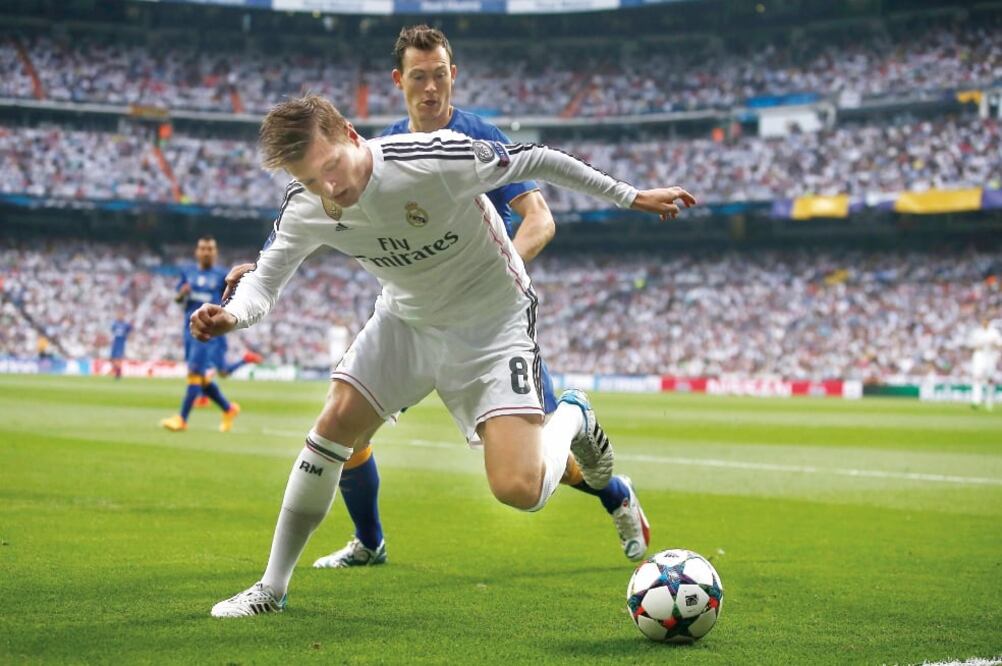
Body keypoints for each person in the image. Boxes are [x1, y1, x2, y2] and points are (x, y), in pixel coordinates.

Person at [195, 93, 694, 617]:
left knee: (519, 490)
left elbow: (539, 157)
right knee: (333, 425)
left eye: (331, 168)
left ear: (348, 133)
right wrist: (231, 316)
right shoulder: (306, 204)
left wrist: (630, 195)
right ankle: (271, 589)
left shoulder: (432, 159)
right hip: (406, 323)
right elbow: (263, 284)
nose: (331, 188)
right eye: (313, 180)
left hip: (491, 324)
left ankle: (571, 415)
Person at [224, 25, 648, 571]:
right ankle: (370, 542)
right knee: (345, 431)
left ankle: (613, 492)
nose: (431, 88)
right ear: (399, 81)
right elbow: (357, 223)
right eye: (419, 77)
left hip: (489, 319)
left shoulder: (473, 139)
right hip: (413, 317)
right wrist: (264, 270)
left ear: (454, 75)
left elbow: (540, 220)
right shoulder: (379, 147)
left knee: (533, 467)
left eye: (440, 75)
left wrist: (487, 280)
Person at [159, 236, 241, 432]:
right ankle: (228, 409)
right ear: (197, 252)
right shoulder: (188, 272)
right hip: (189, 328)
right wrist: (182, 293)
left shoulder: (223, 276)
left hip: (209, 330)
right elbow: (178, 299)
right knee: (201, 377)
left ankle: (182, 419)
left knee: (195, 372)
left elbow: (232, 300)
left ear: (215, 252)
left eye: (210, 249)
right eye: (203, 248)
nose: (206, 252)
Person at [967, 317, 1001, 410]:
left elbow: (1000, 345)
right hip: (979, 356)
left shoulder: (994, 332)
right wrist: (977, 345)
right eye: (983, 320)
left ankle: (989, 402)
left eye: (986, 321)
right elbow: (970, 345)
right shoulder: (977, 332)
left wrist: (993, 344)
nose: (984, 322)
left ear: (988, 322)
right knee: (977, 378)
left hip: (990, 356)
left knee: (989, 380)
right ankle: (976, 401)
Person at [109, 312, 132, 380]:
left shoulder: (125, 324)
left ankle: (118, 374)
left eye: (121, 315)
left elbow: (130, 329)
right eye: (118, 315)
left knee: (118, 359)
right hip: (115, 342)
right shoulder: (115, 324)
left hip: (120, 343)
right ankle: (116, 371)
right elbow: (112, 331)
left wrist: (127, 336)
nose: (119, 317)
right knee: (112, 359)